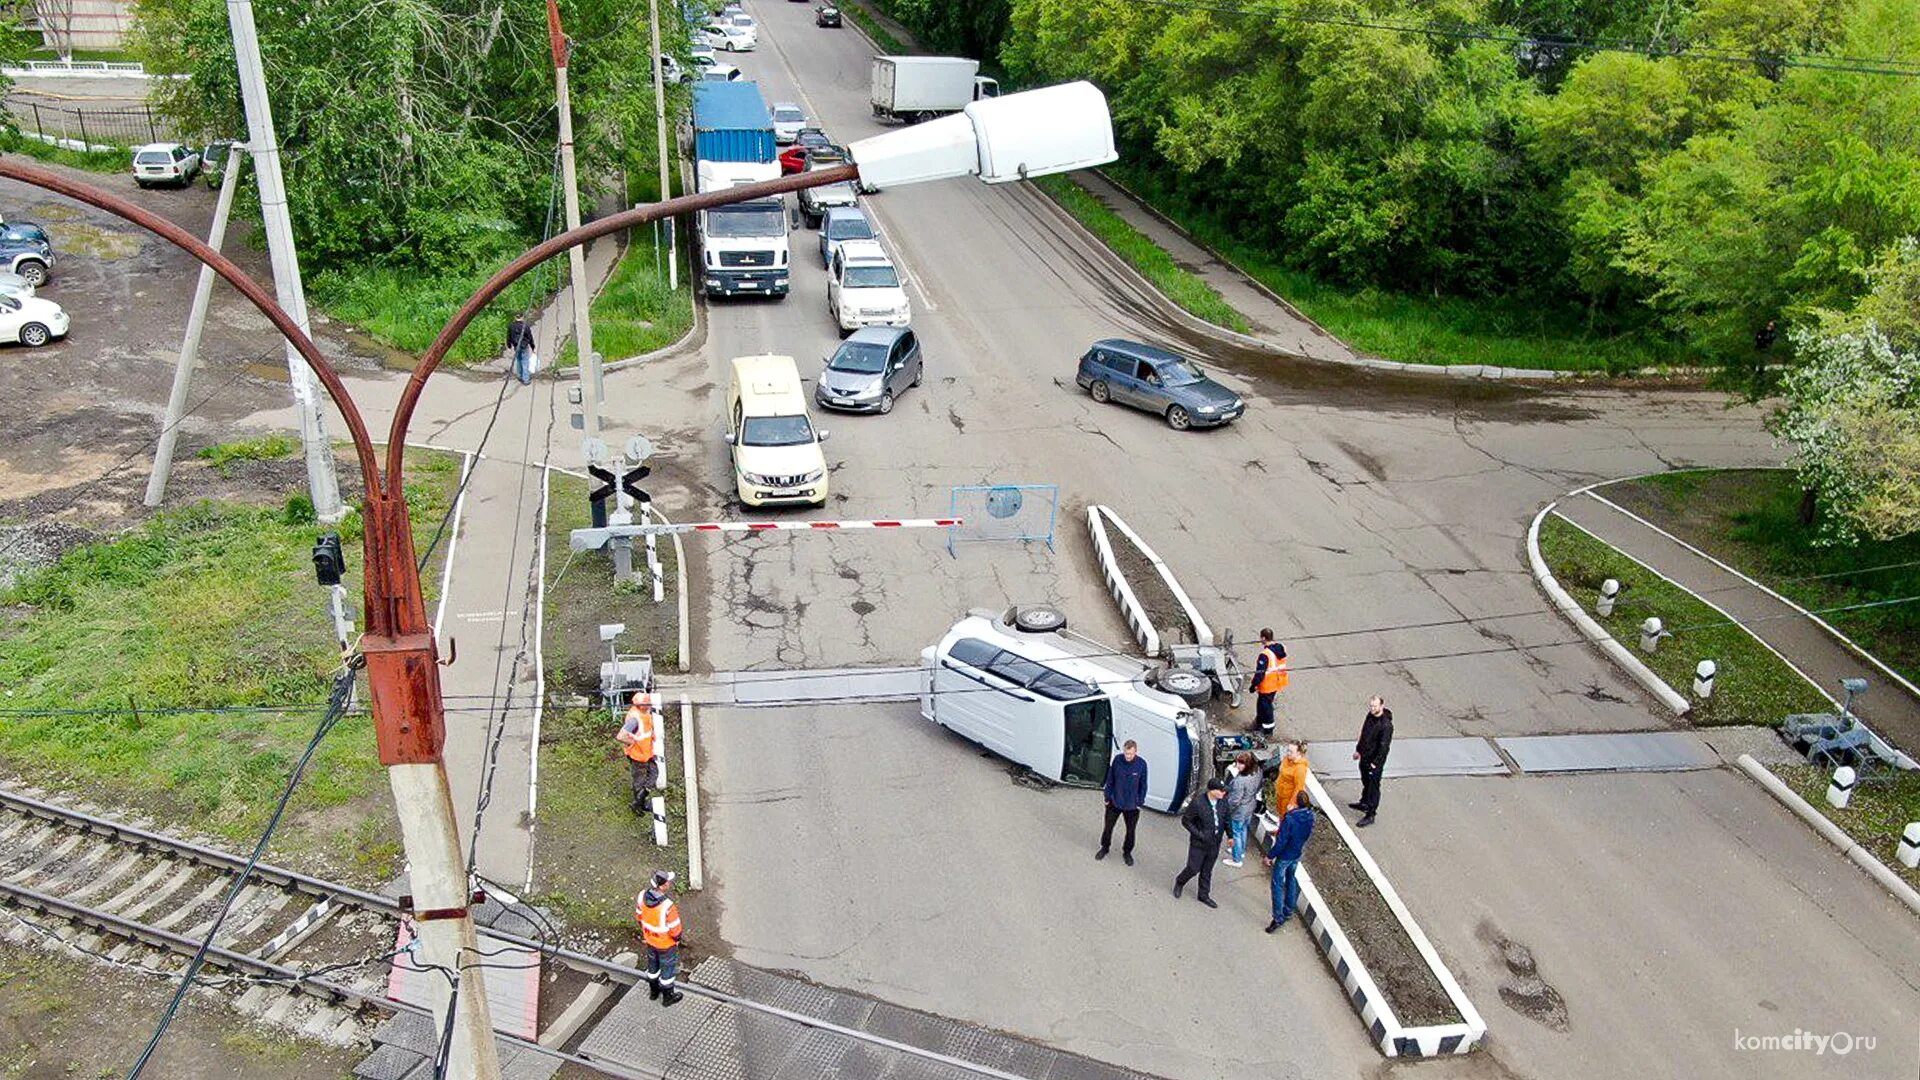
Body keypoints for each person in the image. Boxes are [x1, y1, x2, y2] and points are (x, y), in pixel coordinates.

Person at [1263, 792, 1315, 932]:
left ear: (1296, 803)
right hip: (1297, 853)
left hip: (1285, 855)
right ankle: (1289, 910)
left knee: (1277, 885)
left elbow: (1281, 842)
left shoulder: (1290, 819)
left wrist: (1270, 856)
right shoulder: (1310, 816)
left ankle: (1277, 917)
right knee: (1291, 880)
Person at [1173, 779, 1228, 908]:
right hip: (1199, 843)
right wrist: (1199, 834)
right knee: (1193, 868)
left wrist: (1230, 836)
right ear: (1212, 791)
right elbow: (1186, 821)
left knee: (1207, 870)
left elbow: (1226, 819)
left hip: (1214, 843)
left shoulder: (1223, 803)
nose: (1223, 792)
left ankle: (1203, 895)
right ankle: (1180, 881)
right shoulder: (1198, 803)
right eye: (1220, 790)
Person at [635, 869, 684, 1006]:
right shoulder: (668, 906)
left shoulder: (641, 896)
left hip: (650, 941)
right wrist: (677, 940)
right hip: (666, 945)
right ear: (663, 886)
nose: (670, 883)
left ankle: (653, 993)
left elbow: (639, 917)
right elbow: (675, 930)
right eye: (668, 881)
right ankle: (668, 998)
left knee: (653, 966)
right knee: (667, 970)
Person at [1097, 739, 1149, 865]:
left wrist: (1139, 802)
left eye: (1130, 754)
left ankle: (1127, 852)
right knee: (1108, 827)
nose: (1128, 756)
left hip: (1132, 806)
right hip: (1115, 802)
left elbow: (1143, 785)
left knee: (1130, 831)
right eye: (1126, 753)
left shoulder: (1142, 765)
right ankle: (1105, 847)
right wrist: (1107, 797)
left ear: (1135, 752)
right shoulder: (1117, 760)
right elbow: (1110, 779)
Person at [1351, 696, 1393, 827]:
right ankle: (1364, 802)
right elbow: (1364, 733)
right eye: (1371, 706)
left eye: (1375, 706)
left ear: (1381, 706)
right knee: (1365, 781)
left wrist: (1376, 763)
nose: (1372, 708)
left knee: (1373, 787)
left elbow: (1384, 747)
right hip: (1365, 756)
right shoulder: (1370, 716)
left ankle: (1371, 813)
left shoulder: (1386, 725)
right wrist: (1358, 750)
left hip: (1374, 762)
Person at [617, 690, 660, 815]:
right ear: (640, 705)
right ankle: (638, 804)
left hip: (647, 753)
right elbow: (621, 736)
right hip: (638, 757)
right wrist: (632, 743)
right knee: (639, 782)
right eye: (647, 704)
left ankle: (639, 801)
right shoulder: (635, 719)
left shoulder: (644, 712)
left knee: (653, 774)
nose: (650, 706)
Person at [1248, 629, 1288, 734]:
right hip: (1277, 682)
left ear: (1263, 638)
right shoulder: (1280, 648)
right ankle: (1258, 724)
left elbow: (1260, 674)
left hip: (1267, 685)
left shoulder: (1265, 654)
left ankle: (1268, 729)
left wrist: (1253, 685)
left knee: (1265, 707)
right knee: (1262, 705)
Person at [1224, 752, 1260, 867]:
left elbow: (1234, 801)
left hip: (1239, 811)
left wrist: (1226, 810)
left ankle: (1236, 859)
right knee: (1243, 829)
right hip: (1250, 806)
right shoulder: (1258, 772)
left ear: (1247, 765)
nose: (1238, 766)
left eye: (1241, 764)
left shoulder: (1240, 781)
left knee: (1236, 833)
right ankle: (1241, 850)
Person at [1271, 741, 1310, 828]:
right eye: (1288, 750)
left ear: (1298, 753)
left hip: (1288, 797)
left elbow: (1299, 787)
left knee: (1285, 817)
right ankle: (1279, 830)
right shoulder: (1287, 759)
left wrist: (1292, 803)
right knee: (1280, 814)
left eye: (1291, 752)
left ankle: (1282, 834)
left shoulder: (1300, 769)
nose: (1288, 753)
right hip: (1280, 793)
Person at [507, 317, 537, 385]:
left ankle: (519, 375)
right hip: (524, 346)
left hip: (516, 346)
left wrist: (509, 346)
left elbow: (508, 337)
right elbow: (530, 337)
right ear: (522, 317)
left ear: (515, 317)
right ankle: (526, 379)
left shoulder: (511, 326)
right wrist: (533, 347)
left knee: (519, 360)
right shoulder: (525, 326)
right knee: (525, 361)